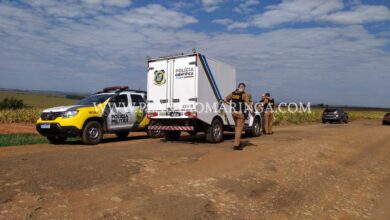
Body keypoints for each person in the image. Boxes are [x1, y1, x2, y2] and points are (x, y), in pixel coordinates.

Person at [224, 83, 253, 150]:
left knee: (237, 128)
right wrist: (251, 111)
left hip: (233, 113)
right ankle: (236, 145)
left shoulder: (233, 93)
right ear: (243, 88)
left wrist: (231, 105)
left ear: (238, 87)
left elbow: (225, 100)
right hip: (240, 114)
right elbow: (247, 104)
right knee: (239, 129)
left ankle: (238, 142)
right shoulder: (244, 94)